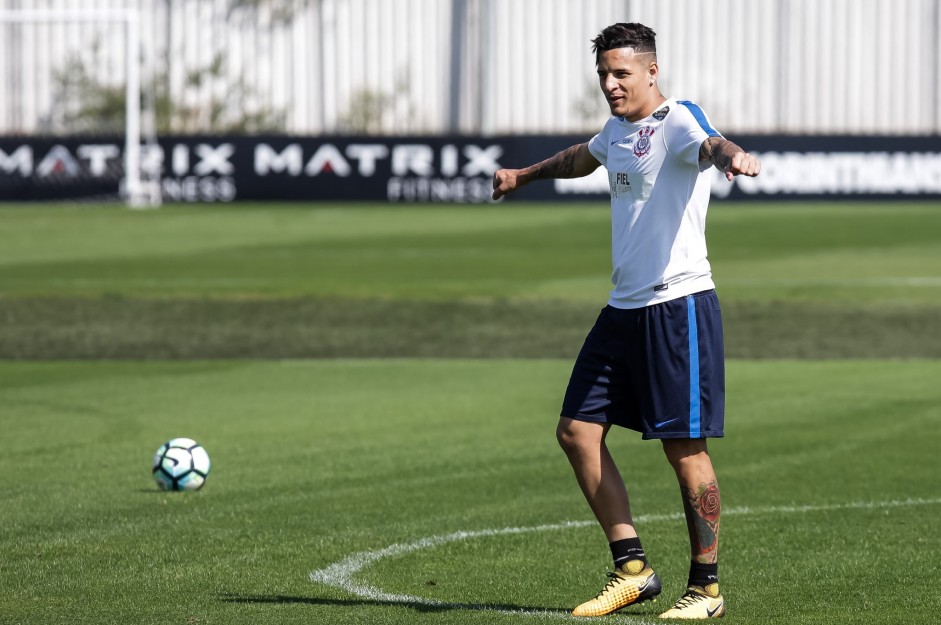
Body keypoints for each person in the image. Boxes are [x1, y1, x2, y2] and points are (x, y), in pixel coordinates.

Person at [492, 22, 760, 620]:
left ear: (651, 71)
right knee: (576, 432)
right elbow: (580, 157)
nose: (611, 85)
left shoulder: (679, 119)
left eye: (622, 73)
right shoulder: (617, 130)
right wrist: (523, 176)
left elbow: (712, 143)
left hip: (677, 306)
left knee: (683, 448)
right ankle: (632, 570)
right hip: (623, 311)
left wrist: (732, 156)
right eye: (604, 75)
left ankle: (707, 589)